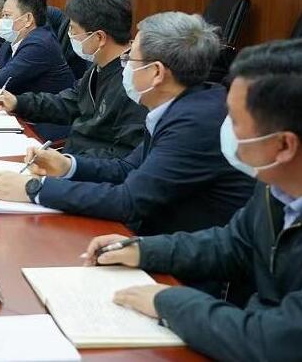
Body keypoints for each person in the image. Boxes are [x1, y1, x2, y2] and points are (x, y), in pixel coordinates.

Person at [85, 39, 302, 362]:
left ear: (284, 146)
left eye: (235, 122)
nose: (224, 129)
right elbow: (233, 244)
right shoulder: (276, 183)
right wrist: (143, 249)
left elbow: (274, 341)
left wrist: (167, 301)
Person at [0, 12, 254, 237]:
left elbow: (130, 200)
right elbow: (128, 168)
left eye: (130, 60)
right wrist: (67, 165)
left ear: (156, 72)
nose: (124, 67)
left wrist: (34, 189)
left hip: (183, 257)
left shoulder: (195, 123)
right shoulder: (181, 105)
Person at [0, 0, 147, 157]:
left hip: (83, 165)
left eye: (73, 29)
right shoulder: (98, 67)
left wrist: (68, 164)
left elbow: (122, 157)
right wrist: (18, 102)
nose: (69, 35)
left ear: (99, 37)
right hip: (72, 158)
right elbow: (68, 103)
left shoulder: (133, 82)